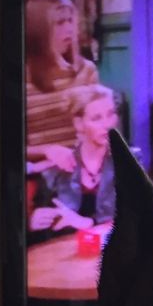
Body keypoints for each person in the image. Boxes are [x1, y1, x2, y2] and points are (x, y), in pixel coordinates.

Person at [25, 0, 99, 174]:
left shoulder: (86, 71)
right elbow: (6, 146)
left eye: (70, 21)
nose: (69, 29)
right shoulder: (21, 78)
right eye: (59, 23)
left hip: (83, 173)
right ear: (39, 29)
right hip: (39, 174)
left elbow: (100, 130)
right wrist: (47, 150)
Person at [29, 85, 117, 237]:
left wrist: (87, 223)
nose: (107, 124)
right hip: (67, 249)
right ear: (79, 124)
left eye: (111, 114)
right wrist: (30, 224)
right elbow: (43, 235)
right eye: (97, 118)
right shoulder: (55, 171)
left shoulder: (130, 162)